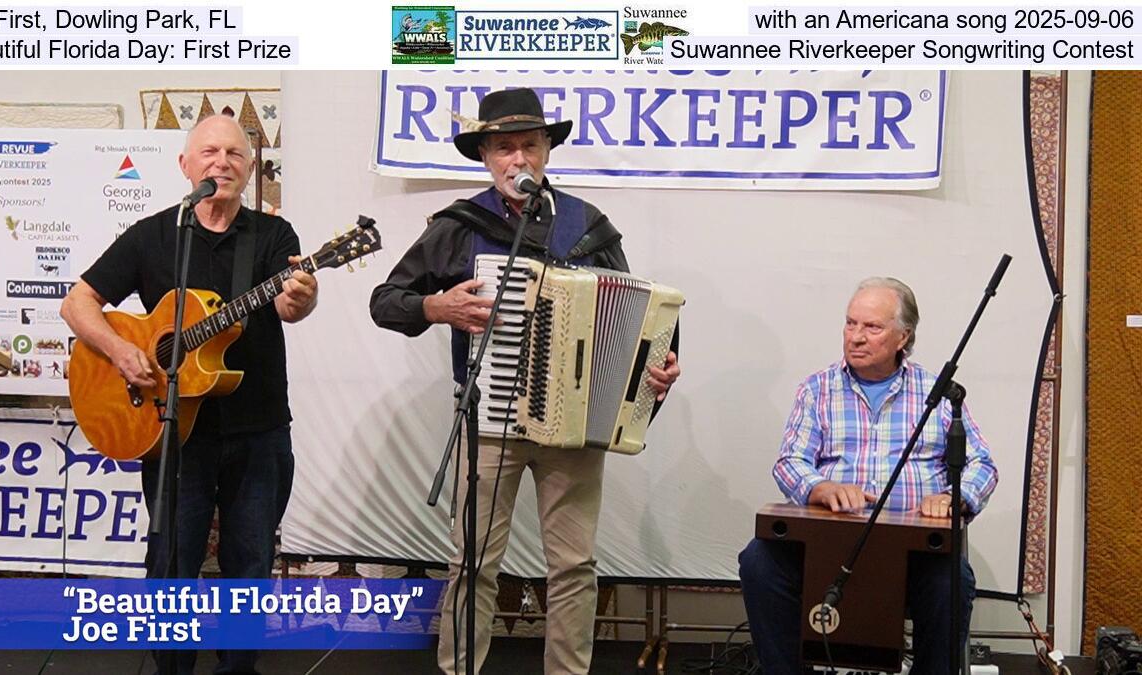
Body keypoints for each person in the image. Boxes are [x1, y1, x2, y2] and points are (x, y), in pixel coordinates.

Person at [369, 87, 681, 674]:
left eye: (530, 146)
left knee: (573, 564)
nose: (519, 159)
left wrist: (655, 370)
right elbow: (386, 301)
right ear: (486, 157)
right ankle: (460, 668)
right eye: (505, 148)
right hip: (489, 422)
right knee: (475, 561)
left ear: (546, 152)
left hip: (573, 429)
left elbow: (641, 323)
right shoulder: (460, 225)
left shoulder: (588, 226)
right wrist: (438, 308)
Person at [60, 114, 318, 675]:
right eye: (208, 152)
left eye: (233, 154)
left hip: (258, 430)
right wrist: (121, 351)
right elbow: (77, 303)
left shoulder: (274, 237)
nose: (220, 162)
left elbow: (288, 305)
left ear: (249, 170)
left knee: (248, 563)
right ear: (185, 165)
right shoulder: (156, 234)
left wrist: (300, 297)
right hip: (171, 430)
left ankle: (237, 668)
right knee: (172, 560)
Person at [737, 277, 998, 675]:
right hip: (829, 545)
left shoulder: (938, 393)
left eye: (871, 327)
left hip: (912, 554)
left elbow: (983, 465)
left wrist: (954, 497)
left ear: (902, 337)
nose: (856, 337)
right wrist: (820, 488)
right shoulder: (818, 389)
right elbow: (789, 462)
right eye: (850, 324)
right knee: (759, 560)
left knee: (952, 579)